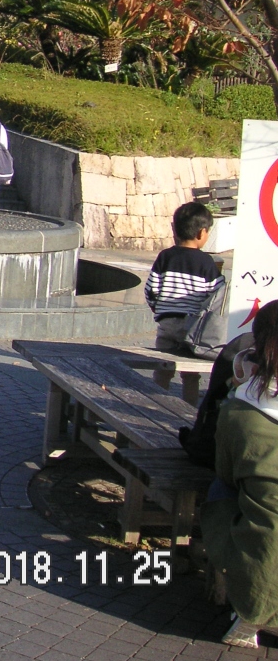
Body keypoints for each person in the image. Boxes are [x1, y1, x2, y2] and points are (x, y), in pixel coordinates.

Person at [202, 299, 278, 648]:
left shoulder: (241, 407)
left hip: (262, 558)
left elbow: (225, 470)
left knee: (221, 488)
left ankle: (248, 611)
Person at [145, 202, 224, 358]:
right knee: (190, 363)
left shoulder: (165, 256)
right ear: (201, 233)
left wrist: (158, 307)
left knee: (162, 360)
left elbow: (151, 289)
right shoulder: (206, 261)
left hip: (166, 322)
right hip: (192, 324)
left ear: (175, 229)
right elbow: (217, 294)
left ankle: (160, 374)